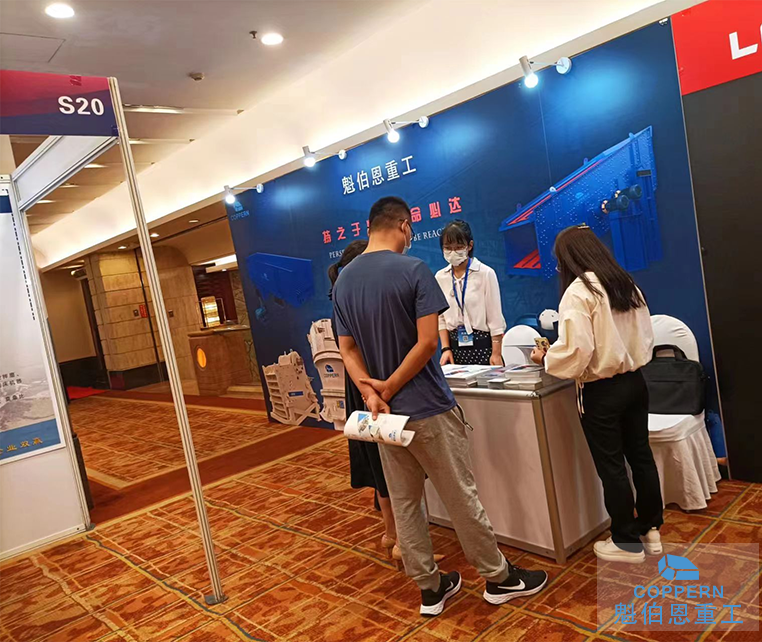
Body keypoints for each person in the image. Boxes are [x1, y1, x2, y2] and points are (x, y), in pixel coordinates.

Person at [333, 196, 547, 617]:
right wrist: (391, 385)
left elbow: (347, 348)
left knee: (406, 502)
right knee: (460, 495)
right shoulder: (413, 270)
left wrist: (372, 393)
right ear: (403, 224)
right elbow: (429, 342)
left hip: (384, 416)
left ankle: (430, 588)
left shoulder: (344, 281)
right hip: (427, 406)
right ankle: (498, 577)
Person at [531, 224, 663, 564]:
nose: (557, 267)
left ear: (569, 258)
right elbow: (644, 333)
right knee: (641, 455)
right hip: (636, 382)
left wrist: (546, 358)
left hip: (601, 390)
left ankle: (626, 541)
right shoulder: (623, 282)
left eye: (558, 260)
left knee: (612, 466)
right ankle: (651, 529)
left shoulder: (578, 292)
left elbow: (577, 351)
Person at [329, 241, 445, 569]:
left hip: (366, 388)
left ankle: (393, 536)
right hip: (377, 388)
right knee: (394, 471)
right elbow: (426, 342)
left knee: (385, 468)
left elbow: (348, 349)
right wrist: (382, 388)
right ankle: (399, 540)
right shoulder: (361, 291)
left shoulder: (344, 292)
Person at [436, 220, 506, 366]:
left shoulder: (485, 273)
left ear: (470, 245)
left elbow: (495, 318)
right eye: (448, 248)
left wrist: (496, 353)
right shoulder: (440, 277)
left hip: (484, 347)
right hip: (454, 350)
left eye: (459, 247)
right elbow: (441, 318)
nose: (453, 252)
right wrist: (445, 348)